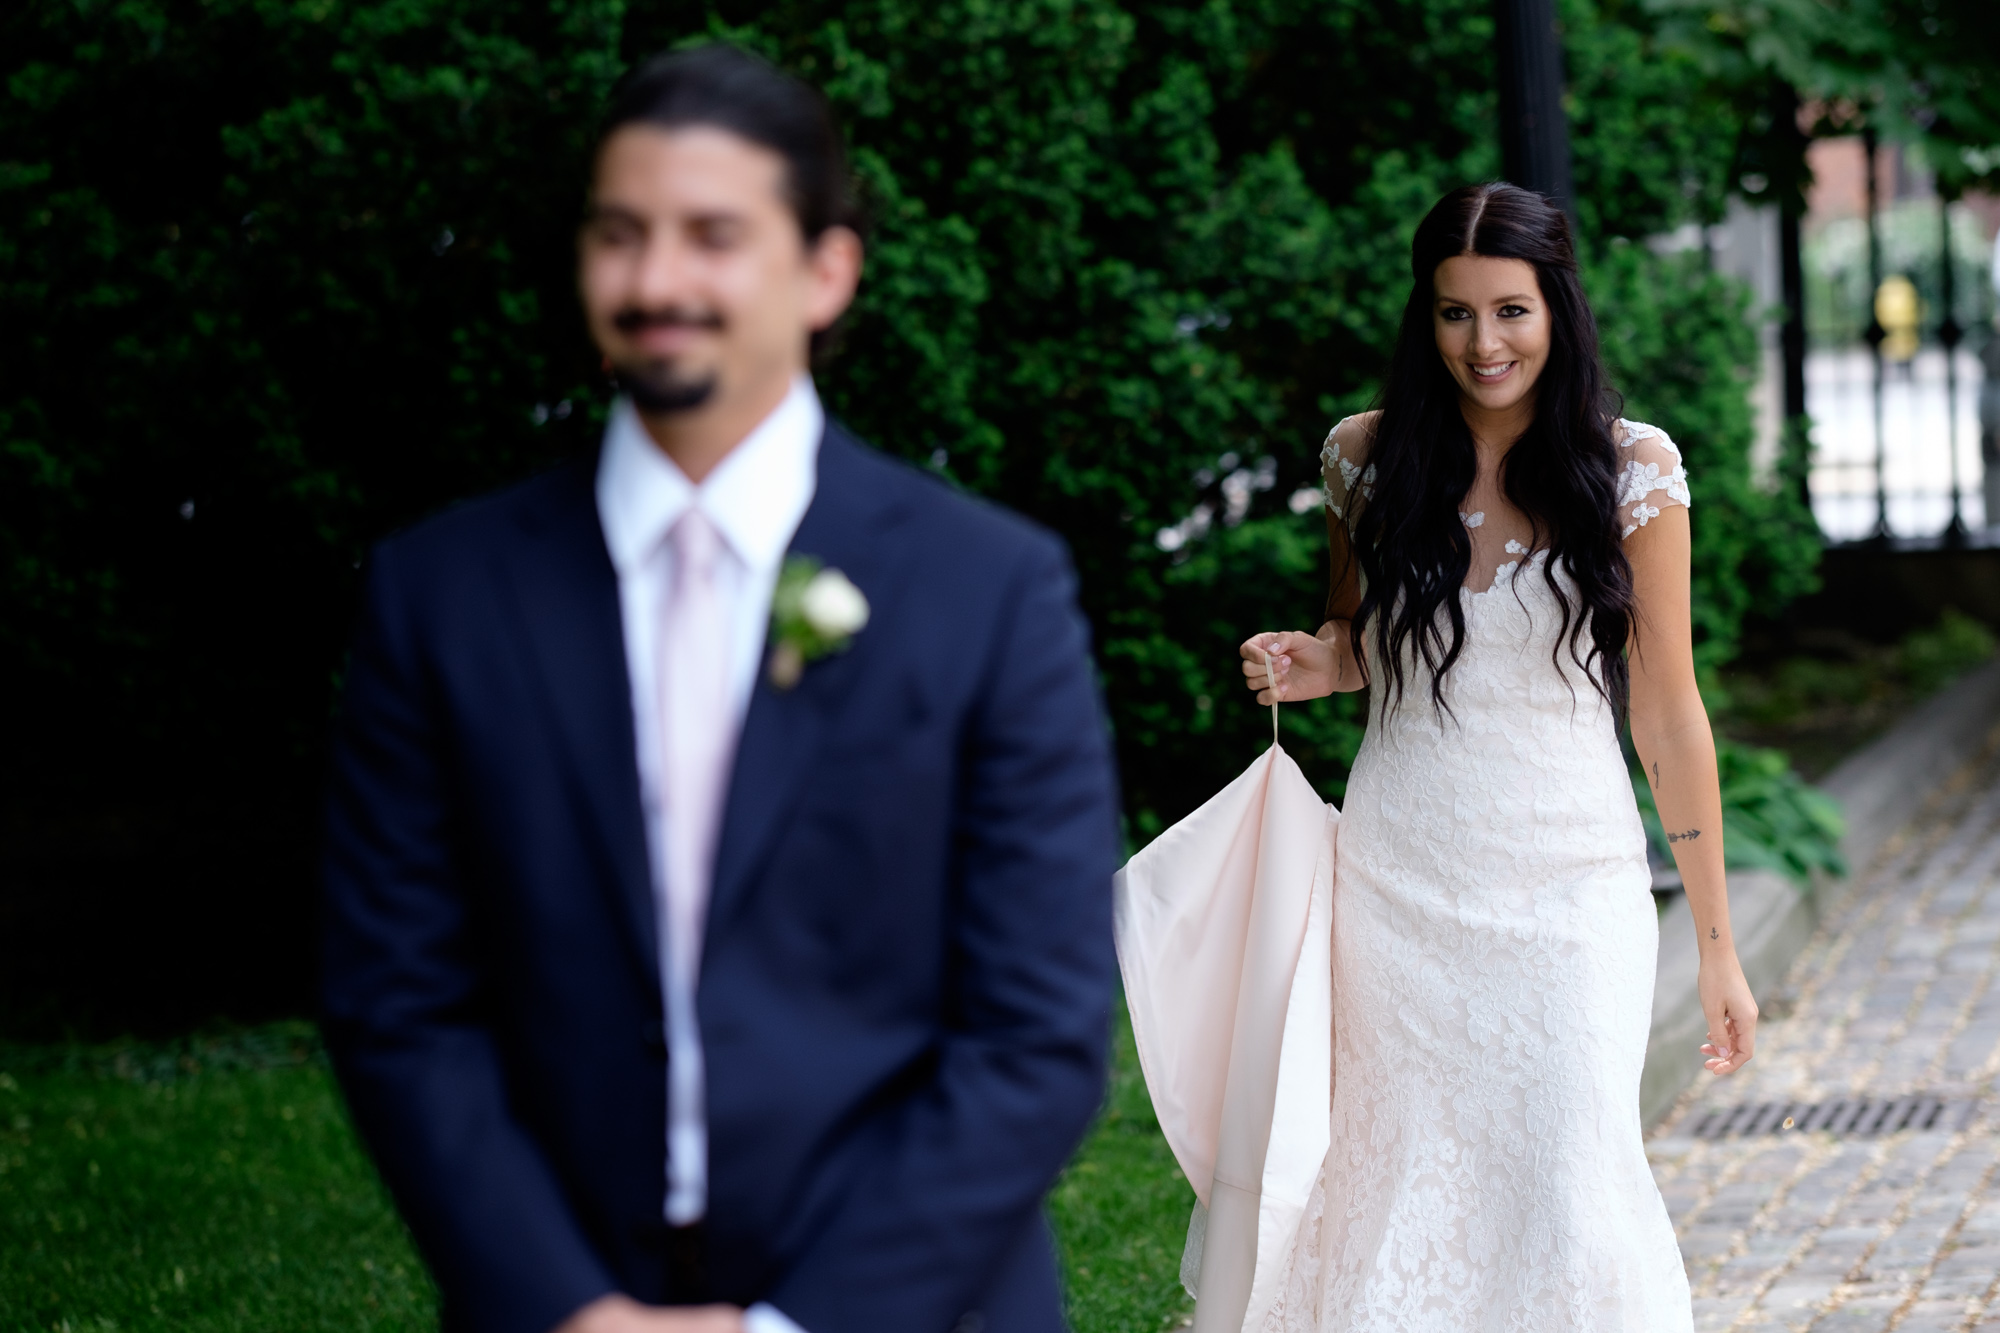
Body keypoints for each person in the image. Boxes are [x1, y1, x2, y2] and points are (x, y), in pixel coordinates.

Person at [318, 45, 1120, 1333]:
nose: (655, 283)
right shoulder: (442, 595)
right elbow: (398, 1002)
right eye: (619, 236)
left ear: (823, 271)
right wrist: (567, 1308)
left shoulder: (991, 591)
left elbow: (1034, 1032)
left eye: (710, 237)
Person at [1125, 182, 1753, 1331]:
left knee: (1569, 1177)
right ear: (1424, 316)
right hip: (1399, 882)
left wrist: (1715, 949)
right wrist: (1312, 661)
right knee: (1398, 1180)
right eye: (1454, 313)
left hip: (1571, 888)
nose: (1483, 342)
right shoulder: (1364, 461)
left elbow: (1665, 714)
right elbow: (1364, 641)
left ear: (1555, 307)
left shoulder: (1633, 470)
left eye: (1509, 310)